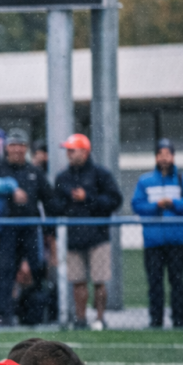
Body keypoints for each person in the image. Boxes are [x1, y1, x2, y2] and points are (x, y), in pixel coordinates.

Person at [49, 133, 122, 330]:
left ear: (85, 152)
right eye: (68, 151)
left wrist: (87, 198)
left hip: (97, 236)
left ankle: (100, 318)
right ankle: (80, 320)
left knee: (99, 281)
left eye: (72, 150)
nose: (69, 154)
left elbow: (115, 200)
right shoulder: (63, 177)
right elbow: (54, 204)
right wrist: (67, 202)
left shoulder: (101, 174)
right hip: (74, 237)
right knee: (77, 281)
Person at [0, 129, 54, 326]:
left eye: (21, 145)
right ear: (7, 148)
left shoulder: (34, 172)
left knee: (33, 272)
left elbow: (50, 201)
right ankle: (4, 315)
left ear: (26, 148)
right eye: (13, 145)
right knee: (4, 272)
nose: (17, 149)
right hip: (5, 231)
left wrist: (49, 233)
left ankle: (31, 315)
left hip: (29, 231)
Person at [131, 138, 183, 329]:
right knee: (155, 282)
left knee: (177, 281)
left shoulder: (182, 180)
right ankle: (156, 320)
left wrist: (174, 204)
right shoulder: (145, 180)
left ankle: (179, 319)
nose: (164, 158)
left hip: (176, 240)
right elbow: (137, 205)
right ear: (155, 157)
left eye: (167, 154)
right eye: (160, 154)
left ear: (173, 156)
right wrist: (155, 206)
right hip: (153, 241)